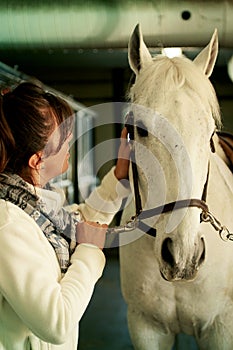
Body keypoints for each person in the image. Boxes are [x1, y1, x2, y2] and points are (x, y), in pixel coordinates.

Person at [0, 81, 131, 350]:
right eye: (64, 138)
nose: (71, 140)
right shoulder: (9, 224)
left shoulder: (37, 202)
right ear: (37, 160)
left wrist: (119, 176)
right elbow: (57, 323)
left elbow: (76, 223)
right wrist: (90, 250)